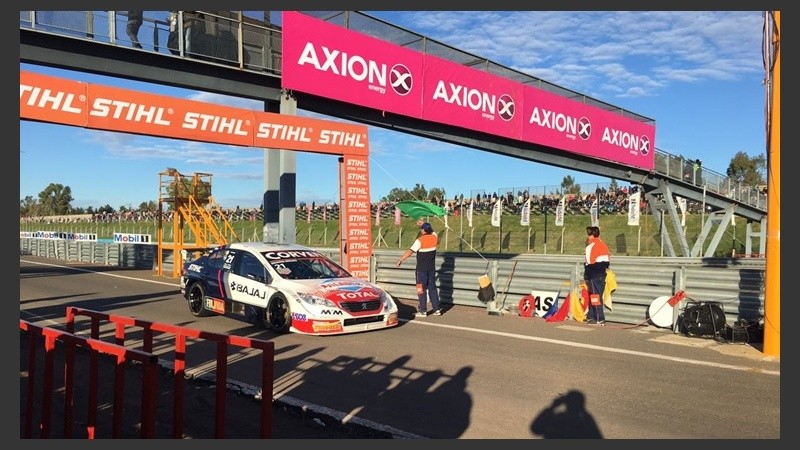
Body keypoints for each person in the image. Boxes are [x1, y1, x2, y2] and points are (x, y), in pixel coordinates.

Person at [396, 222, 442, 317]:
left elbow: (410, 251)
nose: (421, 230)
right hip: (431, 269)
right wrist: (425, 224)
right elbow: (433, 232)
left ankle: (423, 310)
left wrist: (400, 259)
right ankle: (437, 309)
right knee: (432, 288)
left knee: (421, 289)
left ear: (424, 230)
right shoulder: (435, 238)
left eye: (421, 228)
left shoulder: (419, 241)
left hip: (421, 270)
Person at [583, 226, 610, 325]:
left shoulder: (590, 247)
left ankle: (599, 318)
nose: (587, 236)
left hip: (593, 275)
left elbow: (589, 262)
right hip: (602, 273)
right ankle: (591, 316)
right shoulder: (603, 245)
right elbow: (607, 262)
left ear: (591, 235)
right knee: (595, 295)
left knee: (595, 297)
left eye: (588, 234)